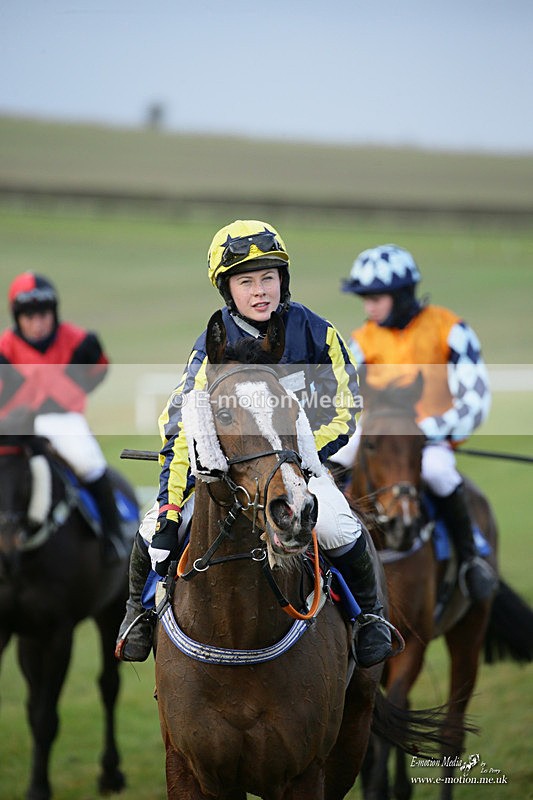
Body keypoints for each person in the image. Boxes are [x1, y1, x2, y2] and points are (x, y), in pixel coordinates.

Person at [116, 219, 394, 667]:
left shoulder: (318, 334)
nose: (261, 290)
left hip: (300, 467)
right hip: (228, 475)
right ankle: (139, 612)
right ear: (228, 290)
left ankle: (371, 619)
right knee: (154, 532)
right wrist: (170, 506)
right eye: (247, 281)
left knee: (340, 526)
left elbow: (344, 407)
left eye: (269, 277)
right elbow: (181, 425)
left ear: (283, 280)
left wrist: (292, 459)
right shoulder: (209, 350)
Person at [331, 243, 497, 601]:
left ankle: (470, 559)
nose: (368, 306)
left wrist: (425, 432)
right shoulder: (361, 341)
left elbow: (475, 400)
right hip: (378, 433)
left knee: (439, 473)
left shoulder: (450, 330)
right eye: (365, 298)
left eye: (376, 297)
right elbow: (341, 399)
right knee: (332, 462)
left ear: (402, 294)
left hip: (430, 439)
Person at [0, 271, 123, 560]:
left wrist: (63, 396)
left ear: (53, 313)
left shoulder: (80, 342)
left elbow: (99, 370)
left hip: (62, 419)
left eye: (43, 315)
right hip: (13, 424)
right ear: (17, 318)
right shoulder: (4, 348)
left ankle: (113, 536)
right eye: (29, 317)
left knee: (89, 463)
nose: (37, 323)